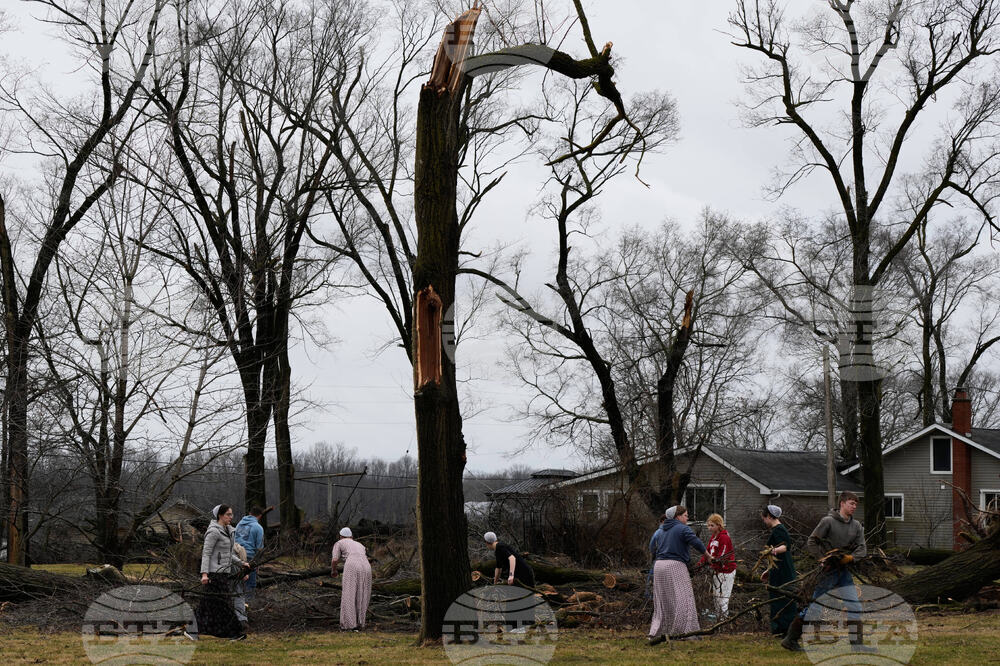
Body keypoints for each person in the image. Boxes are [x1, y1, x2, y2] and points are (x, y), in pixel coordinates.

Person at [782, 491, 869, 653]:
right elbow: (812, 541)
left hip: (843, 573)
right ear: (842, 503)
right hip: (828, 572)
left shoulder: (856, 526)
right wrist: (821, 558)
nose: (854, 507)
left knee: (854, 606)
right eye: (851, 503)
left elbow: (862, 548)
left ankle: (857, 644)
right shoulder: (828, 521)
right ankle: (790, 640)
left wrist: (850, 558)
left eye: (856, 504)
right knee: (816, 608)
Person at [186, 504, 249, 641]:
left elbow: (228, 554)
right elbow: (206, 554)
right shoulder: (213, 532)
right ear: (220, 515)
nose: (231, 517)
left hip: (223, 573)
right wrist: (204, 574)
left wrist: (241, 563)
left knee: (210, 604)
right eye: (228, 514)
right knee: (223, 603)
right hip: (214, 573)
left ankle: (192, 630)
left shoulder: (228, 531)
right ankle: (236, 633)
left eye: (231, 514)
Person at [647, 505, 707, 646]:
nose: (687, 518)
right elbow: (696, 543)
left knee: (662, 602)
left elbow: (652, 548)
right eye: (685, 515)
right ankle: (684, 632)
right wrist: (708, 556)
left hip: (659, 566)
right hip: (675, 566)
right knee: (683, 598)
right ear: (677, 517)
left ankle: (658, 632)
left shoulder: (660, 530)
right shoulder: (682, 528)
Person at [760, 504, 797, 636]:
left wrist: (772, 551)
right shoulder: (777, 530)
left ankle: (784, 629)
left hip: (783, 571)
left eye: (764, 519)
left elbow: (785, 546)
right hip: (778, 569)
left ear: (769, 517)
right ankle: (780, 629)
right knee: (778, 597)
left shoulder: (779, 530)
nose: (764, 522)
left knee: (782, 597)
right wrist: (768, 570)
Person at [331, 527, 372, 631]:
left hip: (352, 565)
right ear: (351, 537)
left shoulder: (339, 543)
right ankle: (360, 623)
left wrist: (334, 570)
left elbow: (335, 559)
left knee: (349, 594)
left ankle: (349, 625)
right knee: (362, 593)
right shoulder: (360, 545)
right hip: (366, 566)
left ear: (341, 536)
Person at [697, 513, 736, 618]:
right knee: (716, 596)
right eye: (708, 525)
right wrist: (700, 564)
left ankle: (724, 620)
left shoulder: (724, 537)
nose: (709, 528)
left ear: (719, 525)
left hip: (726, 571)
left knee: (723, 597)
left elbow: (723, 555)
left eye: (712, 525)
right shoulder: (713, 538)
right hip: (716, 570)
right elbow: (707, 553)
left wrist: (715, 561)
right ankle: (719, 619)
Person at [234, 506, 264, 601]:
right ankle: (247, 605)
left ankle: (237, 603)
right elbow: (259, 547)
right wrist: (257, 563)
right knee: (250, 583)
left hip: (236, 555)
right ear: (260, 516)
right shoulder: (258, 527)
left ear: (249, 513)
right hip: (250, 557)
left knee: (237, 582)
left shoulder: (239, 524)